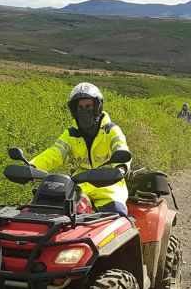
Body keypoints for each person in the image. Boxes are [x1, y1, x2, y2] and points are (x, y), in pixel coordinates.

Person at [31, 82, 131, 216]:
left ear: (97, 107)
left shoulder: (111, 130)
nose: (84, 110)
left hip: (108, 184)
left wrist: (121, 167)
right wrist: (33, 165)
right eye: (80, 107)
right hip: (80, 183)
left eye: (88, 106)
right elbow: (55, 152)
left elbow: (121, 147)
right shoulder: (71, 133)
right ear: (74, 110)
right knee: (51, 210)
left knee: (116, 217)